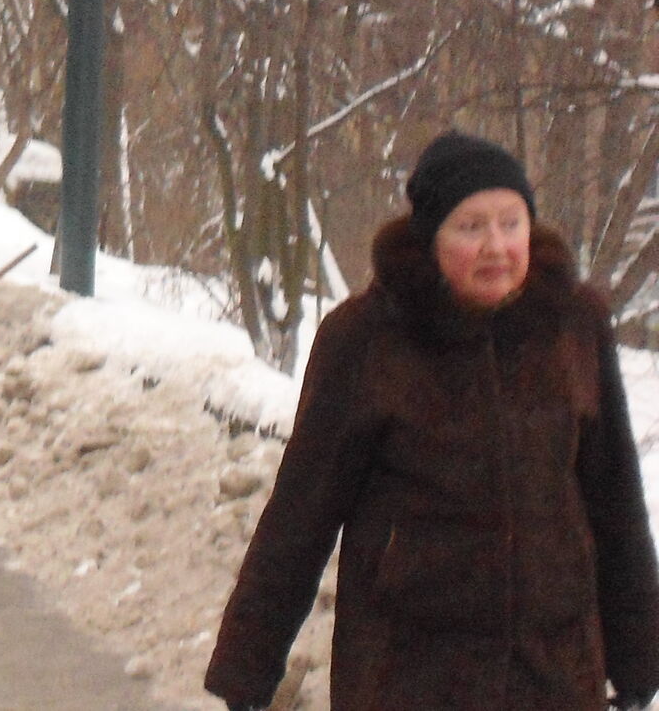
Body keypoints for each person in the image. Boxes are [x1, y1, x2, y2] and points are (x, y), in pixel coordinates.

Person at [205, 129, 659, 711]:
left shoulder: (573, 327)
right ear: (431, 240)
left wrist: (638, 663)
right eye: (471, 227)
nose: (497, 245)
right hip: (410, 672)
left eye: (510, 223)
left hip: (554, 671)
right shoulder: (367, 339)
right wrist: (246, 671)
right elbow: (302, 513)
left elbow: (615, 501)